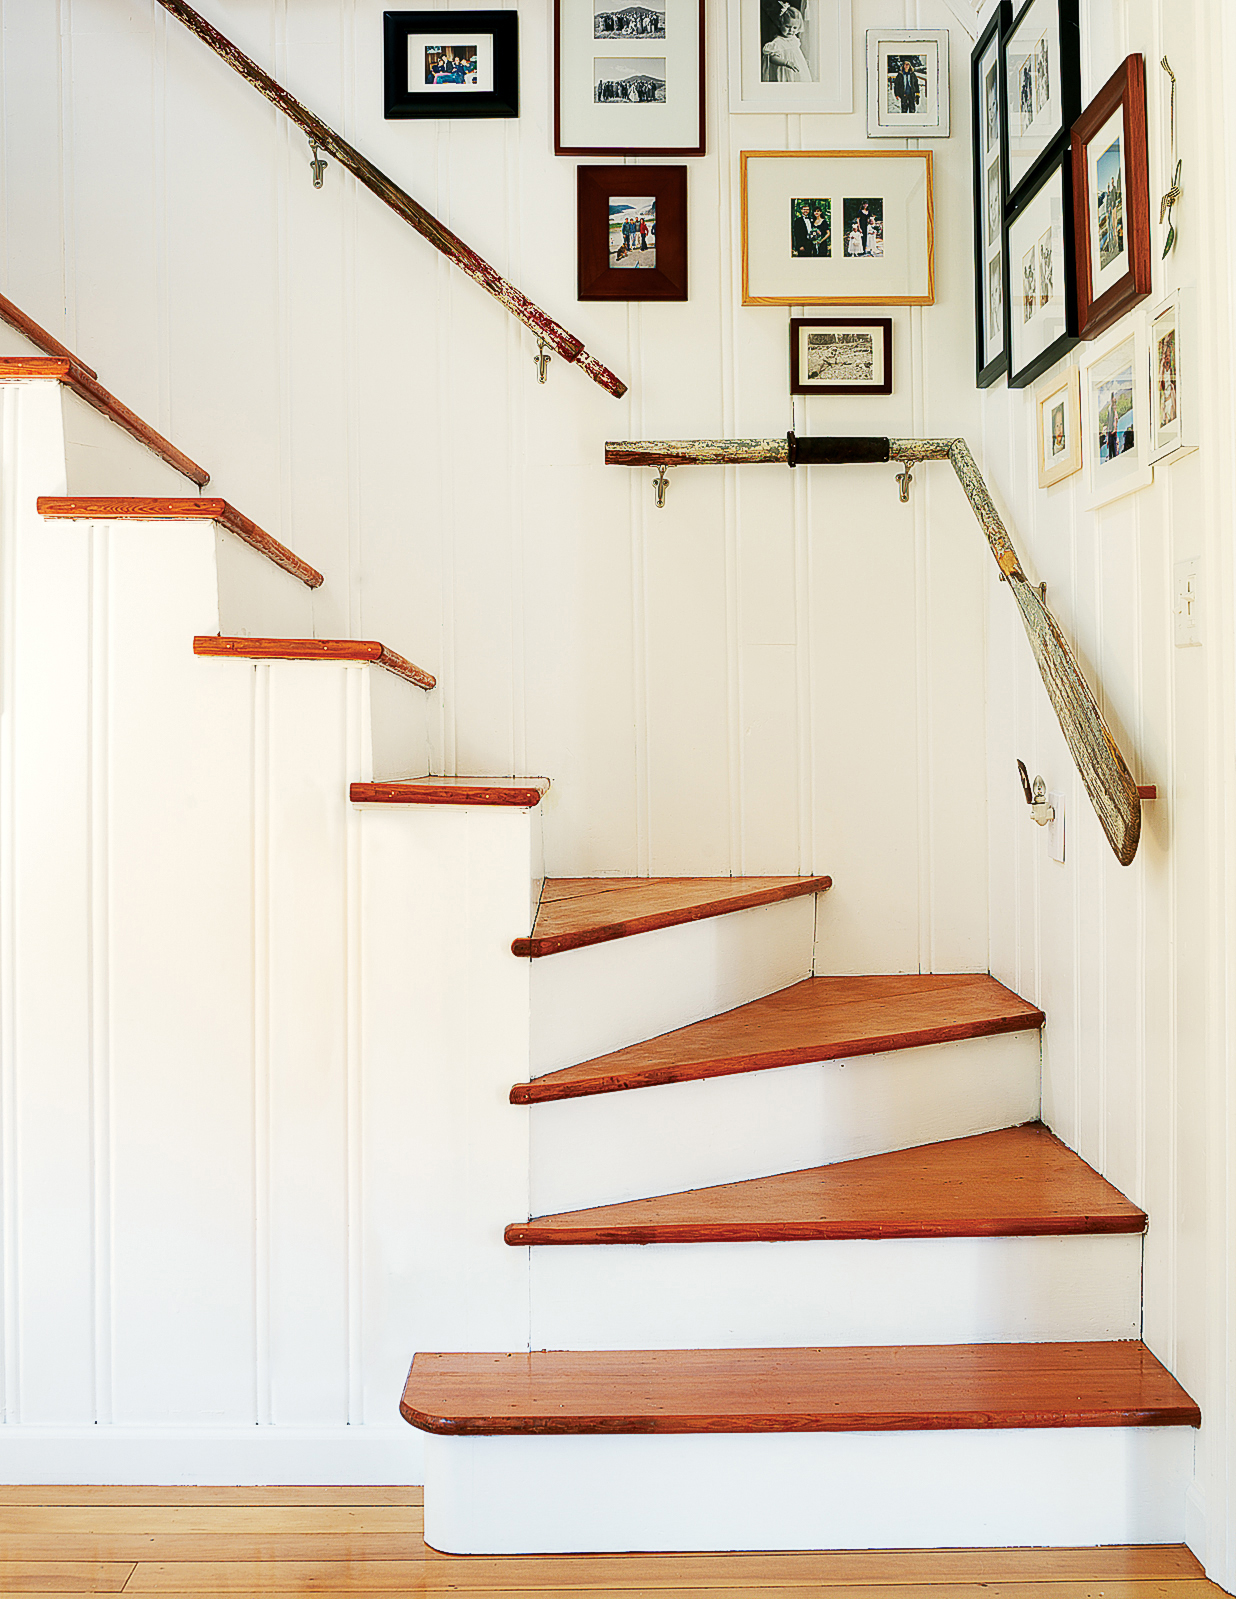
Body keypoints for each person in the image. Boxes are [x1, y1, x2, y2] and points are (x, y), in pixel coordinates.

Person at [761, 3, 812, 82]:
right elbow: (771, 58)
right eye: (787, 26)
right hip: (784, 70)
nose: (791, 30)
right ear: (780, 24)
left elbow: (797, 54)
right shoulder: (778, 42)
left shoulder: (794, 40)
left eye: (794, 27)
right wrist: (786, 63)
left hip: (796, 70)